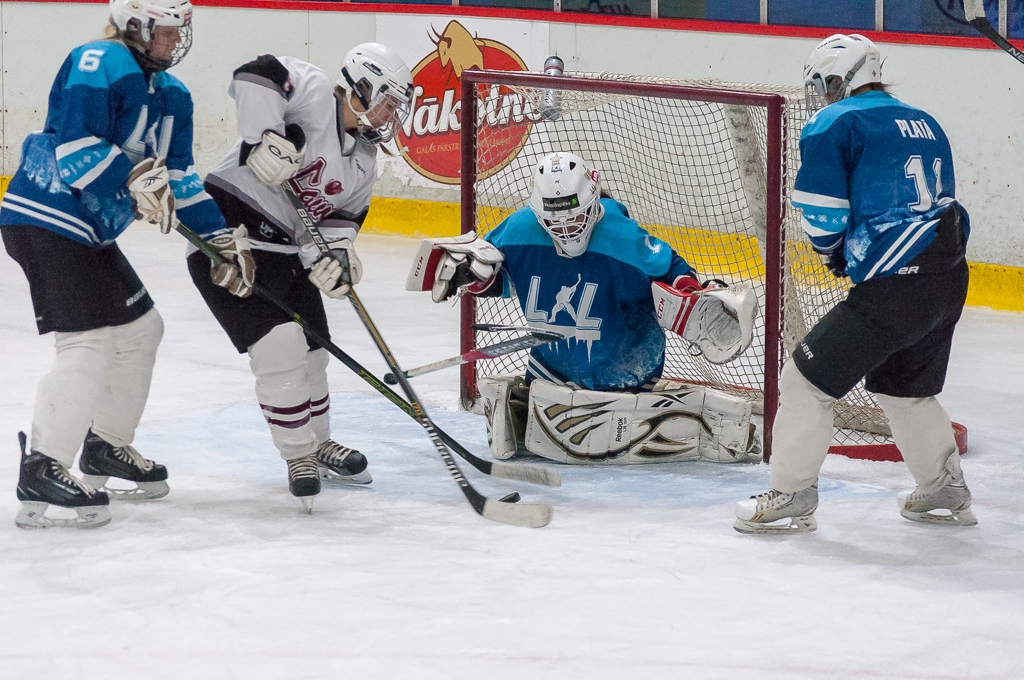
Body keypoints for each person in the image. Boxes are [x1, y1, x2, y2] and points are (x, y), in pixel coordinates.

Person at [734, 34, 975, 534]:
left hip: (896, 284)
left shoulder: (837, 120)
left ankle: (792, 493)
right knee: (904, 389)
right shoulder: (924, 120)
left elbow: (821, 212)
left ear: (835, 79)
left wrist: (833, 254)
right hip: (949, 276)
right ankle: (942, 485)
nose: (819, 95)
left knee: (804, 381)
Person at [0, 0, 227, 528]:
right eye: (165, 31)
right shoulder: (98, 60)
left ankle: (105, 446)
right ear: (135, 25)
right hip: (45, 213)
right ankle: (43, 464)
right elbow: (76, 148)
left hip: (90, 231)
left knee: (142, 329)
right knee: (89, 340)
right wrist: (130, 180)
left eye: (179, 31)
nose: (175, 42)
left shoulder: (174, 94)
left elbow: (181, 176)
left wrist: (221, 239)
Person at [407, 151, 760, 466]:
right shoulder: (519, 230)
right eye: (553, 220)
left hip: (625, 368)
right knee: (518, 437)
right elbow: (501, 276)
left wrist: (696, 296)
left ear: (592, 199)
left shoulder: (622, 238)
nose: (564, 228)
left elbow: (676, 274)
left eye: (574, 218)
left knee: (593, 443)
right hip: (549, 365)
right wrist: (472, 277)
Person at [187, 45, 414, 511]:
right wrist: (261, 139)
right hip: (233, 240)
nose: (393, 113)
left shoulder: (365, 160)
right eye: (389, 100)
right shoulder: (310, 92)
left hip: (288, 253)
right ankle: (298, 456)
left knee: (313, 353)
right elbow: (254, 75)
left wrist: (335, 263)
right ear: (362, 87)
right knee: (281, 350)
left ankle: (317, 443)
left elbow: (334, 228)